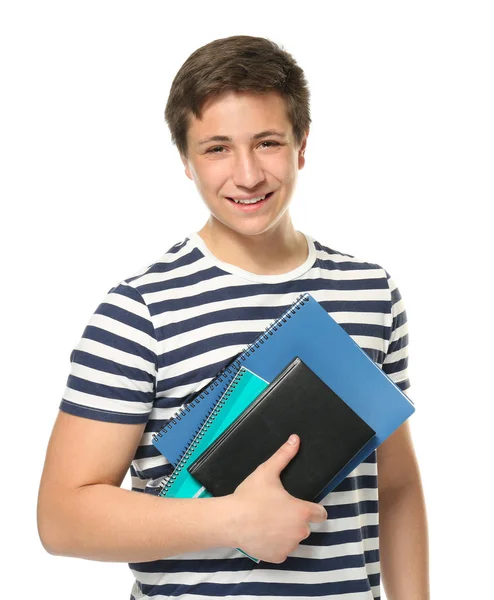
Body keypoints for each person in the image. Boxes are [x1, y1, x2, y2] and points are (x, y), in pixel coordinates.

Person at [37, 35, 429, 600]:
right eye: (217, 148)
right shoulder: (139, 310)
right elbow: (62, 517)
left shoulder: (370, 291)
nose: (246, 175)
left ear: (301, 145)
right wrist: (232, 520)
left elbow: (393, 485)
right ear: (185, 161)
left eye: (267, 142)